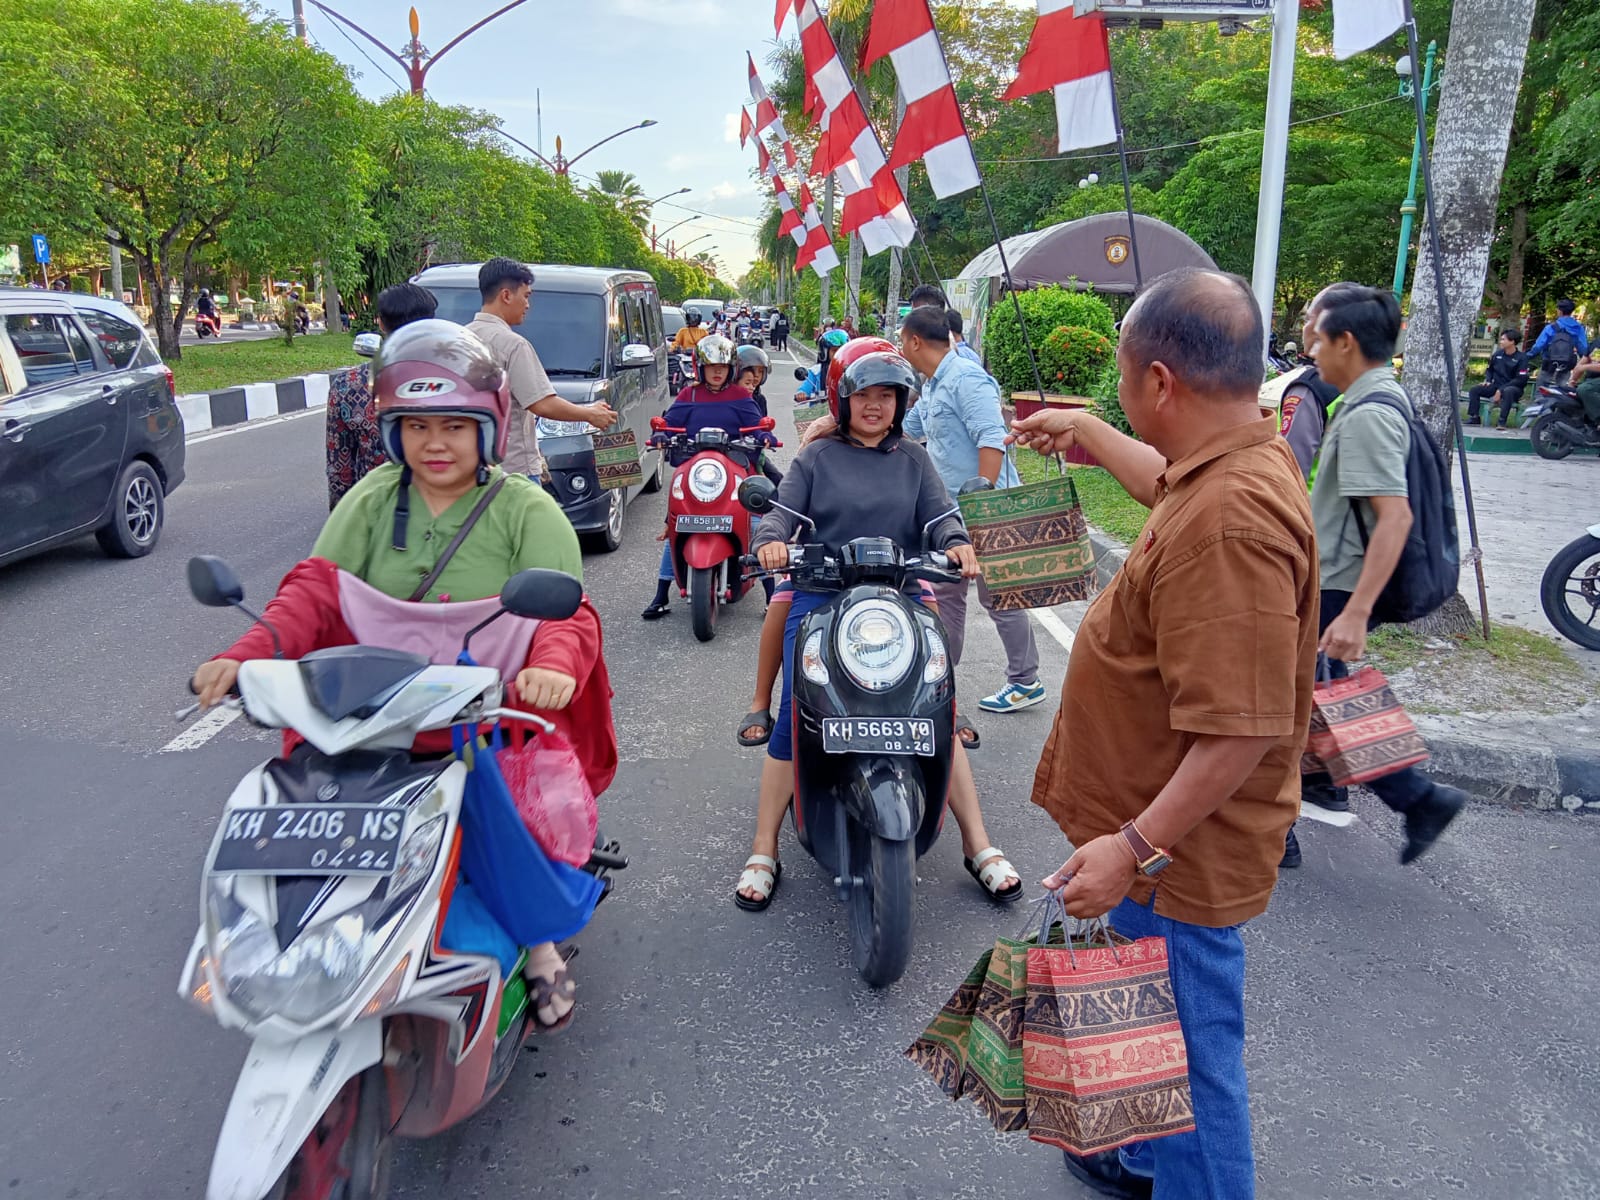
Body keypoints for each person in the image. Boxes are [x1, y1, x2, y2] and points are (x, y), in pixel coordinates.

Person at [191, 320, 616, 1032]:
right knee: (292, 806)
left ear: (489, 425)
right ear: (392, 431)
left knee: (490, 814)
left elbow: (565, 615)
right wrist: (246, 651)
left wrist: (549, 666)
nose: (436, 443)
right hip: (367, 715)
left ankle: (540, 948)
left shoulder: (525, 508)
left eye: (455, 424)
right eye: (416, 426)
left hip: (474, 721)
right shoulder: (370, 500)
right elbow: (313, 594)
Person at [1010, 268, 1318, 1200]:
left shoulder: (1230, 521)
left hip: (1172, 854)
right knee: (1143, 1015)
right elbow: (1168, 486)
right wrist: (1094, 435)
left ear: (1160, 385)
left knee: (1191, 1063)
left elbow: (1239, 731)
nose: (1120, 395)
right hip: (1150, 836)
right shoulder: (1234, 460)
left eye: (1121, 382)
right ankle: (1140, 1154)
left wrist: (1134, 846)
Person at [734, 340, 1022, 911]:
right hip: (821, 597)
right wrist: (770, 542)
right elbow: (782, 513)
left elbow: (942, 517)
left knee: (937, 713)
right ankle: (764, 848)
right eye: (863, 394)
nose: (875, 405)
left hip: (901, 597)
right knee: (798, 714)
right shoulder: (816, 458)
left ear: (900, 401)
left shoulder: (914, 459)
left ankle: (979, 844)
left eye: (886, 395)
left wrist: (958, 543)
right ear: (843, 399)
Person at [1305, 284, 1467, 861]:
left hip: (1336, 589)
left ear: (1346, 342)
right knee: (1320, 701)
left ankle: (1417, 798)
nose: (1312, 351)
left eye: (1319, 339)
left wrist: (1354, 612)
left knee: (1314, 701)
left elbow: (1393, 517)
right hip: (1334, 585)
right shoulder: (1374, 400)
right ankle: (1320, 805)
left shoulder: (1370, 416)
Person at [898, 307, 1046, 737]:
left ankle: (1025, 680)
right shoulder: (931, 384)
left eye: (901, 340)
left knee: (999, 595)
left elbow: (991, 437)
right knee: (945, 594)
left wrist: (982, 498)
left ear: (914, 342)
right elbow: (909, 428)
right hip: (948, 514)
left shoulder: (967, 378)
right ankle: (938, 678)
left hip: (985, 506)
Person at [642, 334, 775, 619]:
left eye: (723, 367)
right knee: (675, 524)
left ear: (731, 369)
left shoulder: (741, 397)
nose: (717, 372)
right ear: (699, 367)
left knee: (757, 524)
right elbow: (669, 423)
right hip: (698, 474)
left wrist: (764, 436)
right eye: (711, 366)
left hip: (735, 470)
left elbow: (757, 425)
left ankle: (772, 595)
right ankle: (661, 595)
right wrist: (661, 436)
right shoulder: (689, 395)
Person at [467, 258, 617, 484]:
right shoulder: (513, 345)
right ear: (506, 296)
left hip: (470, 468)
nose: (528, 305)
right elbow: (541, 403)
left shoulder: (461, 339)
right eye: (526, 296)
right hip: (514, 471)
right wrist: (589, 413)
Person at [325, 281, 439, 508]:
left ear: (382, 324)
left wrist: (342, 519)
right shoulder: (454, 380)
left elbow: (339, 470)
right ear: (431, 325)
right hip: (442, 512)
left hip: (375, 511)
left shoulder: (347, 385)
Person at [1466, 330, 1530, 428]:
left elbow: (1521, 379)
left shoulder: (1522, 358)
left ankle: (1501, 421)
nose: (1501, 342)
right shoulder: (1497, 354)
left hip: (1513, 388)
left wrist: (1501, 390)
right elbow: (1490, 370)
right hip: (1496, 386)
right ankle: (1474, 417)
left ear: (1512, 341)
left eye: (1503, 339)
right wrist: (1487, 380)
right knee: (1475, 390)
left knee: (1508, 391)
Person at [1528, 298, 1589, 387]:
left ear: (1559, 311)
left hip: (1548, 362)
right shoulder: (1578, 328)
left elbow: (1538, 346)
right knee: (1562, 390)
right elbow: (1583, 348)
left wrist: (1528, 355)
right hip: (1567, 363)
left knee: (1541, 390)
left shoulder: (1550, 327)